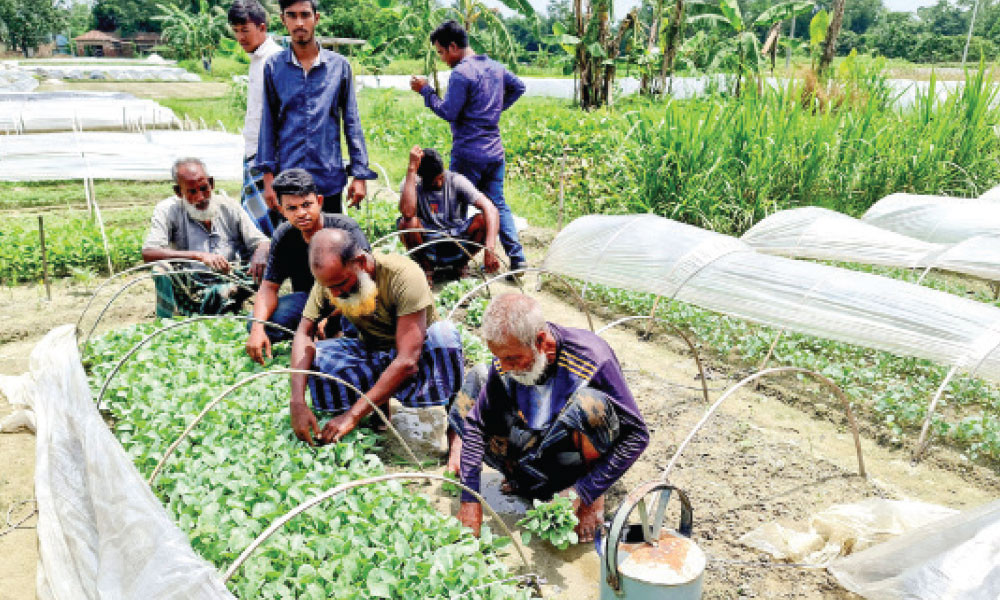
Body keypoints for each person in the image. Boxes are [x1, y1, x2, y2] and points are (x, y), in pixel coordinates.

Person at [449, 294, 649, 543]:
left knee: (591, 404)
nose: (505, 366)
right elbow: (477, 425)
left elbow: (637, 435)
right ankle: (523, 480)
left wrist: (584, 492)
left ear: (541, 341)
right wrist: (470, 498)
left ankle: (588, 498)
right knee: (477, 381)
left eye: (512, 358)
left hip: (569, 464)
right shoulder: (505, 361)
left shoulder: (593, 358)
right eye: (499, 357)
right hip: (530, 452)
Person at [288, 228, 464, 445]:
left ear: (361, 262)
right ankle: (373, 409)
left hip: (418, 356)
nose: (334, 294)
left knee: (444, 337)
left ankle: (457, 432)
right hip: (372, 350)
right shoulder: (330, 280)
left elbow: (408, 361)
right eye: (328, 288)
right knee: (317, 356)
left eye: (341, 284)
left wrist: (351, 416)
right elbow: (303, 333)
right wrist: (296, 401)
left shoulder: (403, 275)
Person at [410, 20, 527, 274]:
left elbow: (449, 112)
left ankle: (456, 260)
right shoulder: (495, 67)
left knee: (455, 204)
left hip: (468, 152)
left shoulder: (461, 73)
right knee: (498, 203)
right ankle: (517, 258)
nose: (442, 58)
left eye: (441, 52)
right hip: (494, 151)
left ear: (453, 46)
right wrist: (495, 110)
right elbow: (519, 87)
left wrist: (426, 91)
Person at [256, 0, 376, 216]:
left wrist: (360, 175)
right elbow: (268, 124)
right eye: (292, 16)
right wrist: (268, 179)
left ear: (316, 18)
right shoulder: (274, 67)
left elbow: (352, 122)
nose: (299, 22)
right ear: (283, 20)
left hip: (327, 176)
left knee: (330, 244)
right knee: (293, 245)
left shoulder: (339, 67)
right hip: (288, 178)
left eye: (305, 15)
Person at [246, 168, 370, 364]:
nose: (301, 213)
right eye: (292, 208)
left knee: (362, 316)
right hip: (308, 302)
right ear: (281, 210)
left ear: (319, 202)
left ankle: (334, 333)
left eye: (307, 205)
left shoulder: (345, 228)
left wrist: (332, 316)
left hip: (348, 299)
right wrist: (257, 328)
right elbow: (269, 287)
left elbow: (367, 280)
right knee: (259, 320)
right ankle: (313, 332)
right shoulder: (284, 235)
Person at [142, 158, 270, 318]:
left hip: (230, 277)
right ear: (178, 192)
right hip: (190, 283)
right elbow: (149, 253)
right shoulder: (167, 210)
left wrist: (261, 251)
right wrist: (198, 256)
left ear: (211, 183)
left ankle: (238, 305)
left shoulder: (229, 206)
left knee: (267, 261)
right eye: (192, 192)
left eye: (204, 188)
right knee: (161, 269)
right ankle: (165, 322)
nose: (201, 198)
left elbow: (261, 241)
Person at [398, 146, 500, 282]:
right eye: (434, 182)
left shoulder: (456, 181)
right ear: (421, 178)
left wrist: (490, 248)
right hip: (429, 240)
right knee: (407, 223)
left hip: (457, 237)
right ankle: (426, 267)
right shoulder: (412, 182)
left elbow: (490, 209)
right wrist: (411, 169)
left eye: (441, 178)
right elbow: (407, 212)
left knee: (483, 220)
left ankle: (461, 264)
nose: (440, 183)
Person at [228, 0, 283, 235]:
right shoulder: (257, 59)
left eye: (245, 30)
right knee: (252, 221)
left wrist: (269, 167)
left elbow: (278, 119)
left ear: (262, 28)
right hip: (253, 153)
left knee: (268, 221)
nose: (240, 37)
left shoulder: (276, 61)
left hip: (268, 158)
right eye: (236, 31)